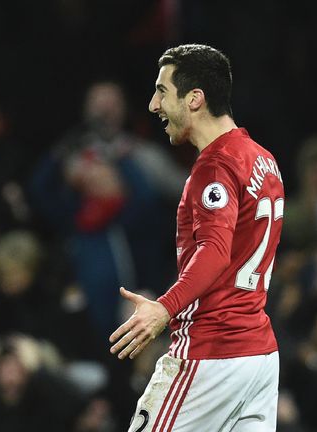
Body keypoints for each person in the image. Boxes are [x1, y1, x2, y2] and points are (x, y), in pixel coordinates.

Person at [109, 44, 285, 431]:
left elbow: (215, 251)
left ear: (194, 99)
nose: (154, 105)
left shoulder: (216, 165)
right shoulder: (262, 159)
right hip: (258, 356)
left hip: (211, 353)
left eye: (161, 91)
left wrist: (164, 308)